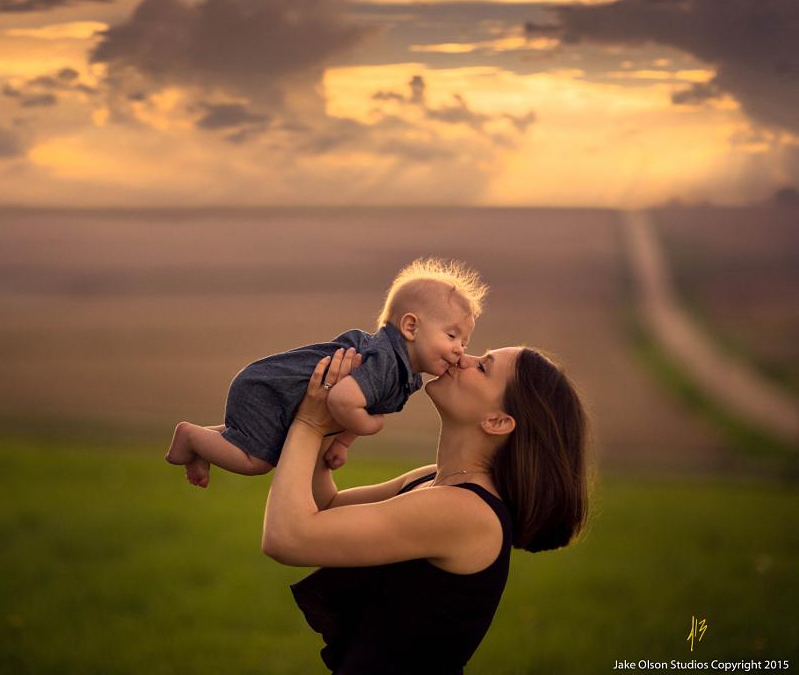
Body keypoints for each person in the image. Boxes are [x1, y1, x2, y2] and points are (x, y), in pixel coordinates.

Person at [263, 345, 590, 674]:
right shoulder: (433, 480)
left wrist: (308, 423)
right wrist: (329, 422)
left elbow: (287, 537)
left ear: (497, 421)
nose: (463, 357)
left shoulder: (465, 512)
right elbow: (328, 507)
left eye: (483, 368)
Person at [165, 258, 488, 487]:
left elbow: (364, 401)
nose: (460, 348)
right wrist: (370, 426)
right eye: (451, 336)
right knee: (258, 461)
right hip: (270, 391)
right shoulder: (386, 362)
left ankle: (203, 444)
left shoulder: (404, 375)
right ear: (410, 326)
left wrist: (342, 444)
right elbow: (344, 401)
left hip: (272, 394)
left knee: (255, 438)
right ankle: (192, 436)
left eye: (464, 341)